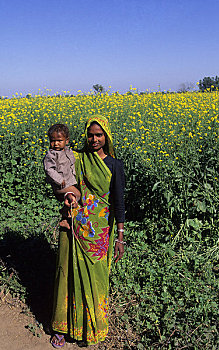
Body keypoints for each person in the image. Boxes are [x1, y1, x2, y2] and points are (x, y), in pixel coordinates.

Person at [51, 115, 125, 348]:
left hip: (99, 231)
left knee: (96, 279)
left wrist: (120, 238)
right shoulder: (76, 158)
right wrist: (68, 194)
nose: (94, 139)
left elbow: (119, 202)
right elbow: (58, 179)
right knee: (67, 274)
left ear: (106, 137)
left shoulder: (114, 165)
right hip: (73, 221)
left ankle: (92, 328)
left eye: (99, 135)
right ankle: (61, 327)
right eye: (91, 135)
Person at [43, 124, 81, 229]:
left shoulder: (68, 151)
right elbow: (49, 169)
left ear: (66, 141)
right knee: (77, 194)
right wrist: (59, 180)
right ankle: (65, 214)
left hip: (68, 183)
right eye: (53, 140)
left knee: (71, 198)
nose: (56, 144)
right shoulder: (51, 154)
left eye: (59, 140)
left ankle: (65, 219)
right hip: (60, 185)